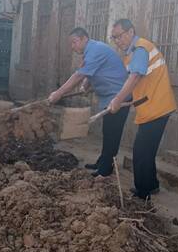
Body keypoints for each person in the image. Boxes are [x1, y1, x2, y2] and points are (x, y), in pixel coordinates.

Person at [108, 19, 177, 200]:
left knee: (141, 152)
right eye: (114, 38)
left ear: (130, 32)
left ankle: (142, 193)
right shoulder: (132, 52)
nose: (117, 41)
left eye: (119, 36)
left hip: (157, 107)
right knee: (147, 150)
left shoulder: (140, 49)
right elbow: (133, 82)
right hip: (153, 106)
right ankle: (151, 185)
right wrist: (120, 99)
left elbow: (135, 77)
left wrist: (117, 100)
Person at [48, 27, 129, 178]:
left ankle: (105, 171)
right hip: (110, 96)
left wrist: (58, 93)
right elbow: (90, 71)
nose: (73, 47)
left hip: (119, 97)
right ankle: (102, 162)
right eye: (71, 44)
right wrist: (87, 83)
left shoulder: (95, 50)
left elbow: (78, 75)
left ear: (84, 38)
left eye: (74, 42)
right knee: (108, 132)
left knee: (112, 134)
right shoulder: (92, 50)